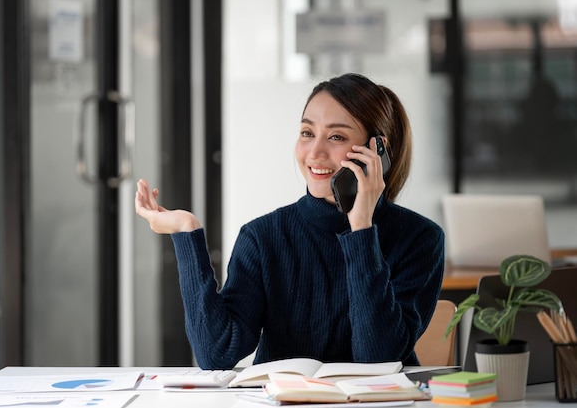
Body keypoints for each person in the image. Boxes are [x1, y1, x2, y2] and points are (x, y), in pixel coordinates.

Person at [135, 73, 445, 369]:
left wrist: (361, 227)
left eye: (336, 136)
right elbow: (217, 353)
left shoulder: (419, 238)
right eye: (307, 133)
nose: (315, 152)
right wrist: (186, 232)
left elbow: (378, 360)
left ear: (376, 151)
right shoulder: (264, 236)